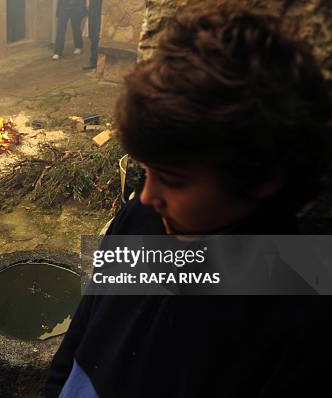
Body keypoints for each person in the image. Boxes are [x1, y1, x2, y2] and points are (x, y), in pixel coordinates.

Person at [46, 2, 332, 397]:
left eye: (173, 180)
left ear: (260, 176)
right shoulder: (142, 220)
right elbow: (80, 337)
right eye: (147, 171)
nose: (146, 195)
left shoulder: (295, 305)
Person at [83, 0, 103, 70]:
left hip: (100, 12)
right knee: (92, 35)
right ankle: (93, 60)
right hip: (92, 12)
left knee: (96, 37)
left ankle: (94, 61)